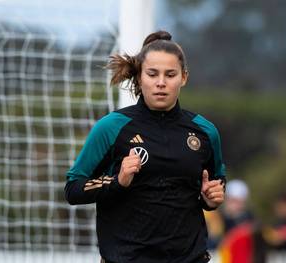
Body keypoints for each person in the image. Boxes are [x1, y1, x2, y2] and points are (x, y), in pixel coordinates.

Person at [64, 30, 227, 263]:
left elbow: (217, 181)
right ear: (140, 77)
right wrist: (116, 182)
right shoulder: (111, 127)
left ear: (184, 77)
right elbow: (73, 189)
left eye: (170, 74)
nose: (161, 83)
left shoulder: (205, 131)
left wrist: (211, 199)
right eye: (152, 74)